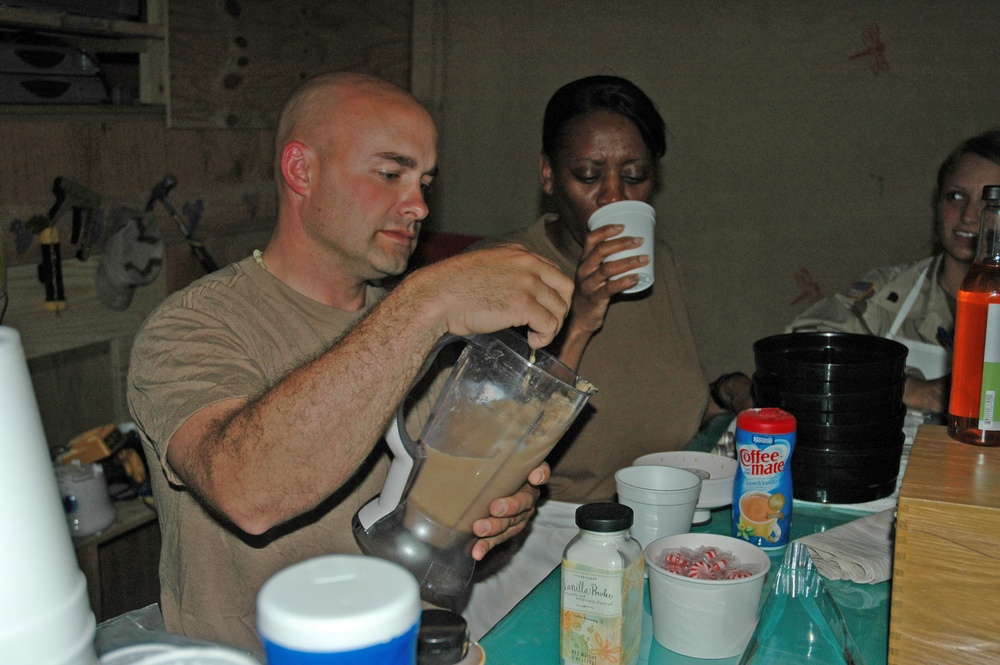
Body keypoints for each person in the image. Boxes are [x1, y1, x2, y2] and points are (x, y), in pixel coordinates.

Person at [126, 72, 576, 653]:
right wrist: (427, 301)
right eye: (390, 174)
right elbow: (250, 492)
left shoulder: (425, 329)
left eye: (424, 182)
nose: (417, 206)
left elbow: (443, 534)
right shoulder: (192, 327)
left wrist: (498, 521)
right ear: (301, 171)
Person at [459, 75, 753, 638]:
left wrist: (723, 394)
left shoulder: (659, 262)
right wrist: (582, 317)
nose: (614, 198)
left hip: (665, 521)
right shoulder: (497, 272)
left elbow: (656, 392)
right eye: (588, 176)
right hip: (540, 541)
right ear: (549, 175)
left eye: (635, 176)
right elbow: (492, 448)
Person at [787, 129, 1000, 415]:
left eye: (990, 202)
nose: (969, 216)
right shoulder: (890, 292)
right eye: (956, 196)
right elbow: (800, 351)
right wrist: (906, 387)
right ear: (937, 204)